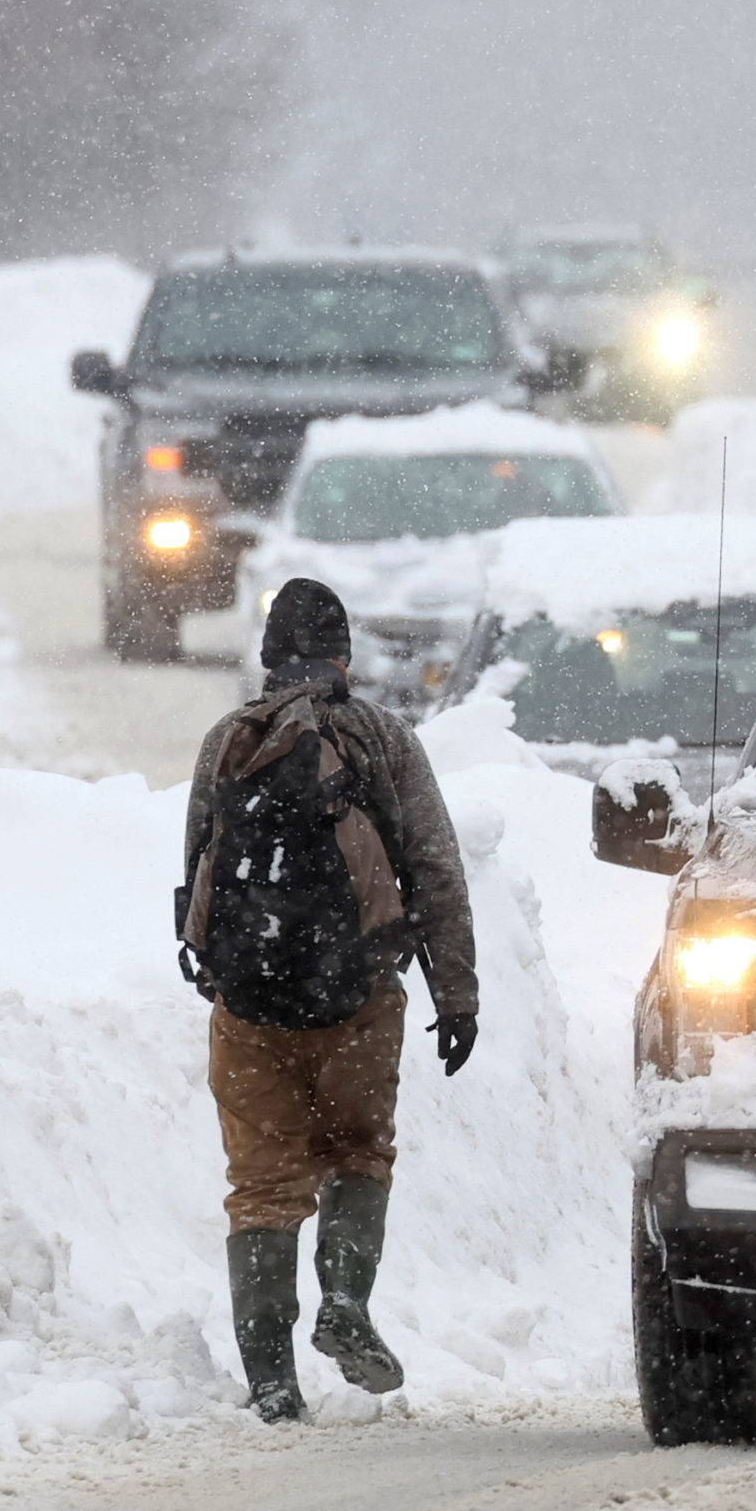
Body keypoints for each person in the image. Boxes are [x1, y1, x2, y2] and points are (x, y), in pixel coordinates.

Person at [180, 577, 479, 1422]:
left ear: (269, 655)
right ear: (343, 655)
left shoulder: (227, 740)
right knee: (356, 1150)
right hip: (356, 999)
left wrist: (218, 967)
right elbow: (436, 873)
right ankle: (345, 1299)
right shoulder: (380, 737)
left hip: (249, 1007)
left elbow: (198, 861)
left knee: (263, 1185)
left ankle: (272, 1378)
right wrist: (454, 996)